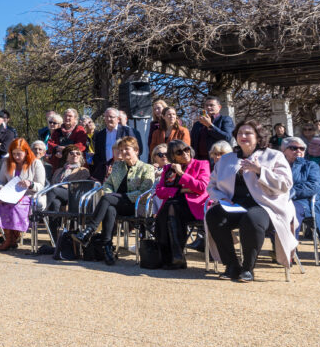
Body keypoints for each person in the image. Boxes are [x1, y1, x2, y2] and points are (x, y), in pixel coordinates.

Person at [205, 120, 298, 283]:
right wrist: (222, 199)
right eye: (240, 133)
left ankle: (248, 268)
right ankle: (232, 265)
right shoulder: (226, 159)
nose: (243, 136)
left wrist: (260, 170)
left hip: (266, 207)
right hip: (234, 206)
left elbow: (285, 184)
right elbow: (211, 185)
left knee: (252, 219)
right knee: (214, 215)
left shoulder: (274, 156)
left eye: (248, 133)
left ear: (258, 137)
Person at [73, 136, 155, 265]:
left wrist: (116, 197)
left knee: (107, 199)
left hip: (136, 204)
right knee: (109, 207)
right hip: (116, 203)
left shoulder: (146, 168)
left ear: (136, 150)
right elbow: (108, 185)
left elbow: (144, 192)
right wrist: (112, 196)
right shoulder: (118, 166)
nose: (123, 152)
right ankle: (107, 247)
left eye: (127, 149)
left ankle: (89, 230)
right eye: (121, 150)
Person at [153, 140, 210, 269]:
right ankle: (174, 256)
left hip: (195, 206)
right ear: (173, 156)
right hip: (174, 205)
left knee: (170, 208)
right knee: (169, 209)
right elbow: (159, 191)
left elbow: (201, 187)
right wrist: (180, 190)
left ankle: (175, 256)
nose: (185, 153)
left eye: (186, 149)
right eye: (179, 152)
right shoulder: (168, 168)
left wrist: (181, 174)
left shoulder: (202, 164)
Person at [0, 138, 47, 250]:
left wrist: (30, 183)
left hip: (29, 195)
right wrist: (1, 188)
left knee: (15, 206)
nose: (16, 157)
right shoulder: (7, 162)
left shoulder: (36, 163)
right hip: (9, 194)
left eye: (19, 154)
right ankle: (10, 238)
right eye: (14, 154)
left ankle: (11, 239)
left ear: (26, 152)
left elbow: (41, 185)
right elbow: (0, 181)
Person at [280, 137, 320, 240]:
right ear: (283, 151)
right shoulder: (276, 165)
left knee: (289, 212)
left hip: (303, 201)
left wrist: (290, 192)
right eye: (293, 148)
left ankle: (289, 252)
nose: (298, 151)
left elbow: (315, 185)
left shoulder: (310, 165)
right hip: (278, 200)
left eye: (302, 148)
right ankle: (277, 247)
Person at [91, 107, 140, 181]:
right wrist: (103, 167)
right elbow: (97, 154)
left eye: (111, 117)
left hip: (126, 168)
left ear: (118, 119)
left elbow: (135, 149)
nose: (108, 119)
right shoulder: (100, 135)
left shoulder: (127, 131)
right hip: (107, 171)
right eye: (106, 117)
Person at [189, 96, 234, 162]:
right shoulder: (197, 124)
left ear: (219, 107)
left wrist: (210, 126)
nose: (208, 107)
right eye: (206, 105)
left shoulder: (225, 120)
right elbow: (192, 143)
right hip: (199, 160)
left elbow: (227, 137)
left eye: (211, 105)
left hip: (218, 160)